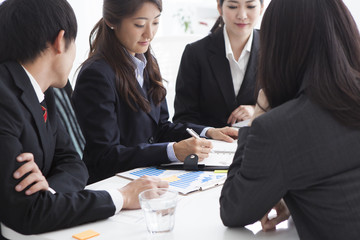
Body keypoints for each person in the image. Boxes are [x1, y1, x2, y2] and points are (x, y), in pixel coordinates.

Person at [0, 0, 168, 238]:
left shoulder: (46, 90)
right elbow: (27, 213)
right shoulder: (4, 99)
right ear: (61, 41)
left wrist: (48, 190)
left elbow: (73, 163)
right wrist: (123, 196)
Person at [219, 0, 360, 239]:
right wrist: (296, 195)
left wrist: (258, 118)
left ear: (279, 48)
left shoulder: (279, 128)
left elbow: (233, 210)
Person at [72, 0, 238, 184]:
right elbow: (105, 156)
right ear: (111, 21)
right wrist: (172, 151)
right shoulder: (96, 75)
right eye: (139, 24)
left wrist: (208, 132)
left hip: (148, 176)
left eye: (156, 22)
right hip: (115, 184)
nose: (149, 34)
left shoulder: (146, 62)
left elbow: (160, 128)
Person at [173, 0, 264, 128]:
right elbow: (183, 118)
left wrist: (258, 110)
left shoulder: (275, 49)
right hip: (210, 145)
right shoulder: (195, 53)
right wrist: (209, 133)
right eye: (233, 6)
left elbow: (289, 105)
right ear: (219, 7)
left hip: (260, 144)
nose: (242, 15)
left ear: (261, 8)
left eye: (250, 6)